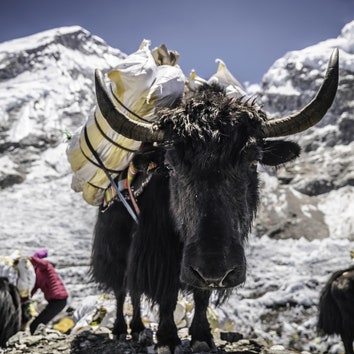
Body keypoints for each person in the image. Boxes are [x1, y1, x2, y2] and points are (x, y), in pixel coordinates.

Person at [24, 250, 69, 334]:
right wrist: (25, 299)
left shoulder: (47, 267)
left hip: (59, 300)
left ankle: (37, 341)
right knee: (38, 323)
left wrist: (30, 258)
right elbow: (34, 289)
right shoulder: (37, 273)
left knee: (36, 324)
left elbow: (43, 263)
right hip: (55, 301)